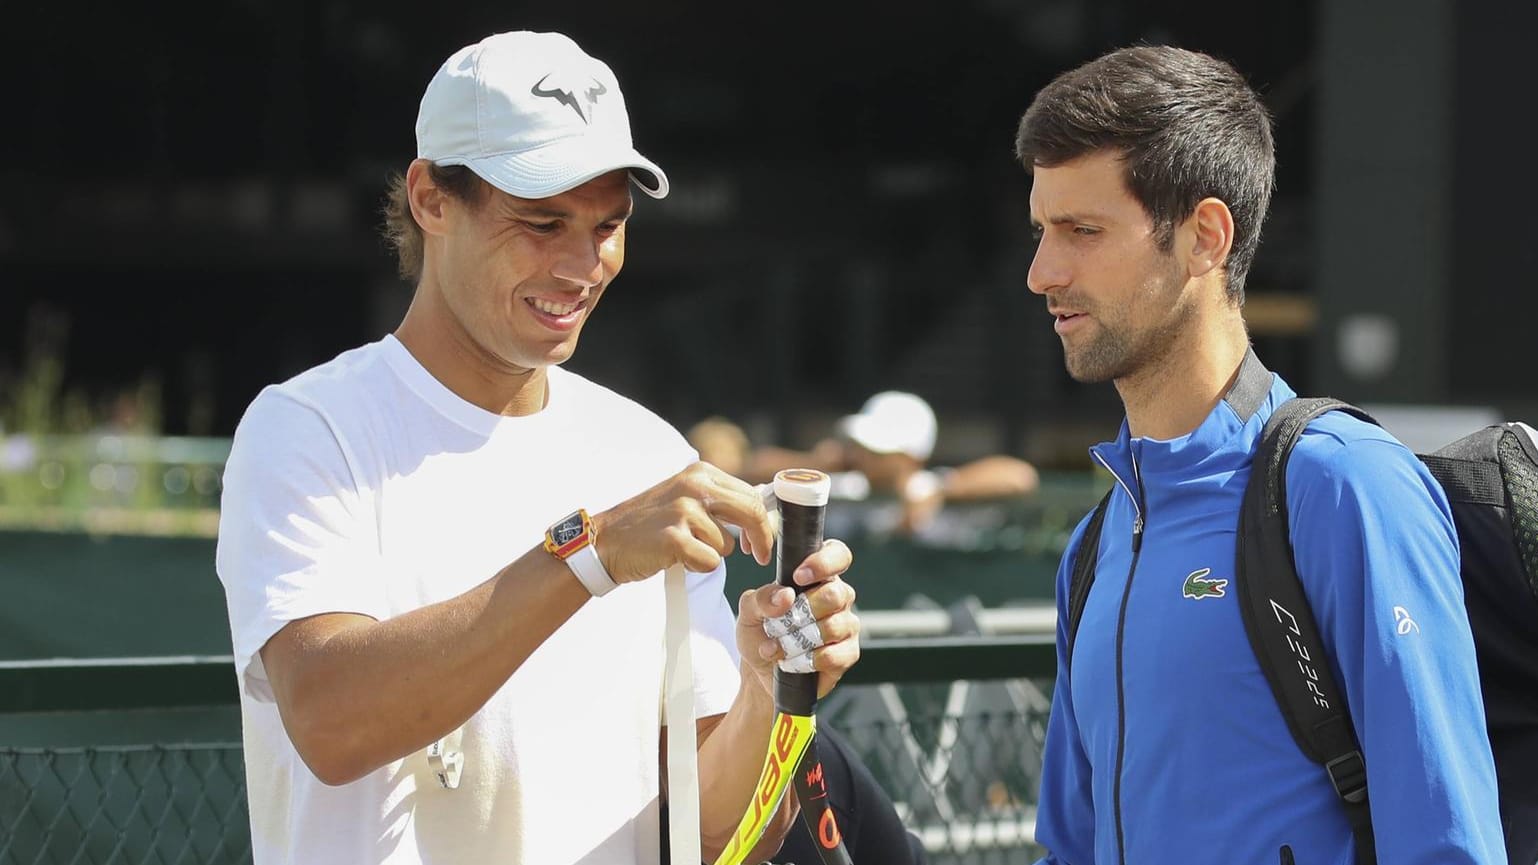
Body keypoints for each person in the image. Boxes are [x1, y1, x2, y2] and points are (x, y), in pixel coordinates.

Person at [214, 30, 861, 865]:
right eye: (543, 221)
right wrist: (589, 552)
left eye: (609, 224)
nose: (584, 263)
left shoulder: (647, 453)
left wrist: (771, 690)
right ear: (430, 199)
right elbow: (332, 724)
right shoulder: (308, 425)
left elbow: (707, 837)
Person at [1016, 46, 1506, 863]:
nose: (1041, 272)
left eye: (1083, 231)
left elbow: (1448, 843)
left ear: (1205, 236)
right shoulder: (1096, 545)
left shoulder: (1345, 483)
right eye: (1042, 231)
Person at [737, 391, 1040, 536]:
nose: (864, 455)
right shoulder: (843, 484)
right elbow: (751, 467)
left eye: (878, 449)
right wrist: (814, 464)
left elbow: (1020, 476)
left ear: (912, 457)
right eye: (862, 445)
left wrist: (939, 490)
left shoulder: (933, 487)